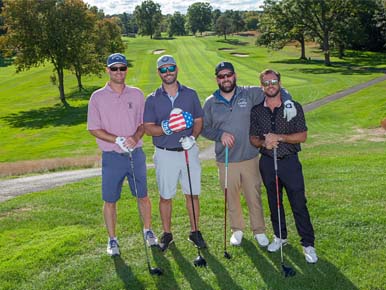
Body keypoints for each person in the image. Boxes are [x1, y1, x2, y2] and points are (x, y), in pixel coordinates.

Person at [201, 61, 293, 247]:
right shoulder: (211, 102)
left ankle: (259, 230)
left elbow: (272, 89)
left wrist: (288, 101)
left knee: (254, 195)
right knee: (231, 196)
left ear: (234, 76)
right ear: (217, 79)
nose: (226, 79)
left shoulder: (249, 93)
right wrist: (220, 135)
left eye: (229, 75)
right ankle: (237, 230)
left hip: (250, 156)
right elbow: (204, 128)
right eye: (221, 76)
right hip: (226, 159)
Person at [87, 53, 157, 256]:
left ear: (126, 69)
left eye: (122, 68)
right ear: (107, 70)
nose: (119, 72)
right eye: (114, 68)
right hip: (112, 157)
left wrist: (135, 137)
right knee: (110, 200)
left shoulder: (136, 94)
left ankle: (148, 230)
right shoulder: (97, 97)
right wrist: (116, 139)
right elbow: (93, 128)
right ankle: (112, 240)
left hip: (135, 154)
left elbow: (144, 123)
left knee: (143, 196)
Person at [249, 69, 318, 263]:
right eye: (266, 83)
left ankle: (308, 244)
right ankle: (280, 237)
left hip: (290, 162)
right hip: (268, 163)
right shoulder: (256, 111)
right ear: (262, 86)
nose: (270, 85)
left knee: (298, 203)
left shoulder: (293, 107)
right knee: (275, 202)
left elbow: (302, 135)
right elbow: (253, 138)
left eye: (273, 81)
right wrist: (264, 143)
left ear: (279, 83)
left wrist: (279, 137)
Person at [143, 55, 206, 251]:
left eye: (171, 68)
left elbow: (198, 120)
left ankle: (195, 232)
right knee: (165, 196)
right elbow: (148, 128)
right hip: (164, 153)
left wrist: (193, 138)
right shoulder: (152, 99)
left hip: (188, 150)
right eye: (163, 69)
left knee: (192, 194)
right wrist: (167, 129)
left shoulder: (190, 94)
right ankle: (167, 233)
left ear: (176, 69)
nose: (168, 72)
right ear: (159, 72)